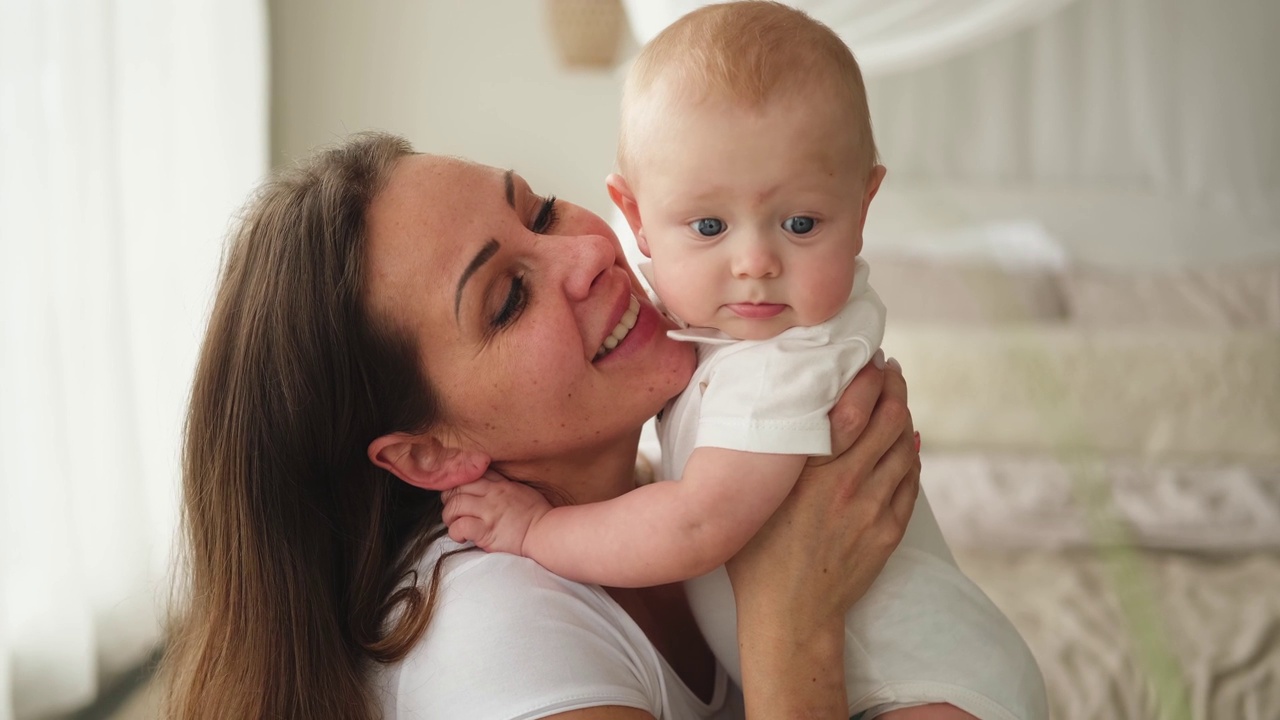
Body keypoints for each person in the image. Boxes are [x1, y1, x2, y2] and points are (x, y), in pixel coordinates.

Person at [158, 129, 924, 719]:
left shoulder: (680, 484)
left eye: (542, 211)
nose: (590, 250)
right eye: (507, 300)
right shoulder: (493, 639)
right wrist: (793, 628)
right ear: (429, 454)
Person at [443, 4, 1048, 720]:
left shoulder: (786, 363)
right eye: (708, 227)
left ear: (863, 205)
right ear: (636, 218)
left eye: (800, 224)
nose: (756, 263)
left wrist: (535, 531)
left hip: (923, 688)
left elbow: (695, 525)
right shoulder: (716, 330)